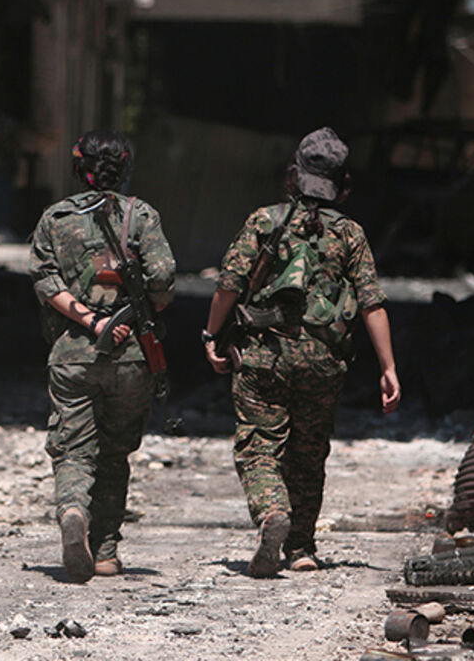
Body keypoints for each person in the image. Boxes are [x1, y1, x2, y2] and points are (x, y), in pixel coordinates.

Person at [202, 127, 401, 578]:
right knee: (309, 454)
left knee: (258, 447)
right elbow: (372, 303)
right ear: (342, 183)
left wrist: (211, 335)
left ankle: (273, 512)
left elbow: (228, 285)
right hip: (324, 362)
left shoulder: (264, 221)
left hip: (264, 356)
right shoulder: (350, 234)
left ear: (294, 175)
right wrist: (388, 367)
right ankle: (302, 548)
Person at [28, 130, 176, 583]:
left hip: (73, 355)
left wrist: (91, 321)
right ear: (125, 168)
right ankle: (107, 551)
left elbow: (44, 281)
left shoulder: (55, 218)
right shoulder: (142, 216)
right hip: (131, 356)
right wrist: (141, 305)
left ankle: (73, 511)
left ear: (78, 168)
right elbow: (165, 277)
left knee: (73, 449)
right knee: (115, 452)